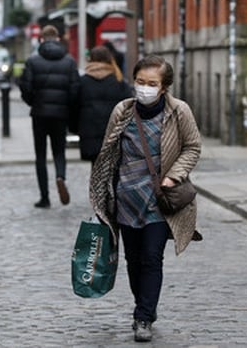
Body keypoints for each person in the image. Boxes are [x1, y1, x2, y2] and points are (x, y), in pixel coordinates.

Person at [88, 55, 201, 342]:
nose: (144, 88)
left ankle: (143, 316)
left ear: (164, 87)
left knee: (152, 257)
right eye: (140, 82)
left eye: (152, 83)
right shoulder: (122, 111)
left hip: (159, 199)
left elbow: (192, 147)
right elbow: (108, 151)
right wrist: (102, 193)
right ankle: (144, 303)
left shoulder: (179, 112)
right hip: (126, 197)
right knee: (133, 259)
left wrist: (173, 176)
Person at [18, 24, 79, 208]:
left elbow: (25, 87)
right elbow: (75, 89)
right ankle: (60, 176)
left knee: (41, 155)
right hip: (60, 114)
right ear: (58, 39)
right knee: (59, 151)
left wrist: (33, 102)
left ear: (41, 39)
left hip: (39, 113)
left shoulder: (33, 61)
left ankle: (44, 197)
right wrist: (68, 106)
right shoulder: (68, 62)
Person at [73, 46, 132, 165]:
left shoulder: (82, 81)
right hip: (113, 131)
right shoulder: (119, 81)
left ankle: (96, 184)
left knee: (95, 166)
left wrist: (75, 127)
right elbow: (129, 107)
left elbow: (74, 106)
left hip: (89, 131)